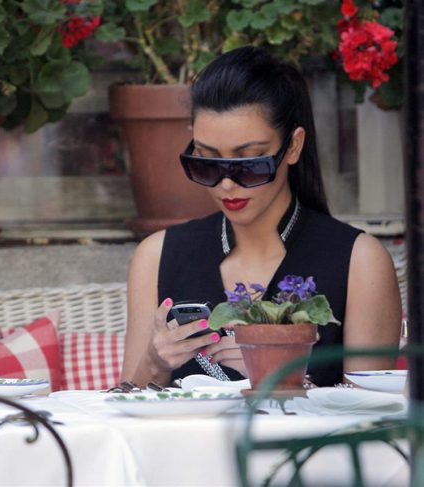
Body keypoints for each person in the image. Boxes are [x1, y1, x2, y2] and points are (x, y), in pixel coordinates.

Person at [122, 46, 402, 388]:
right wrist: (153, 363)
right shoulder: (157, 256)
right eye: (207, 162)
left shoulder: (359, 261)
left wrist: (285, 379)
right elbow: (123, 412)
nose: (226, 185)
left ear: (294, 146)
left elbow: (371, 422)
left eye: (250, 164)